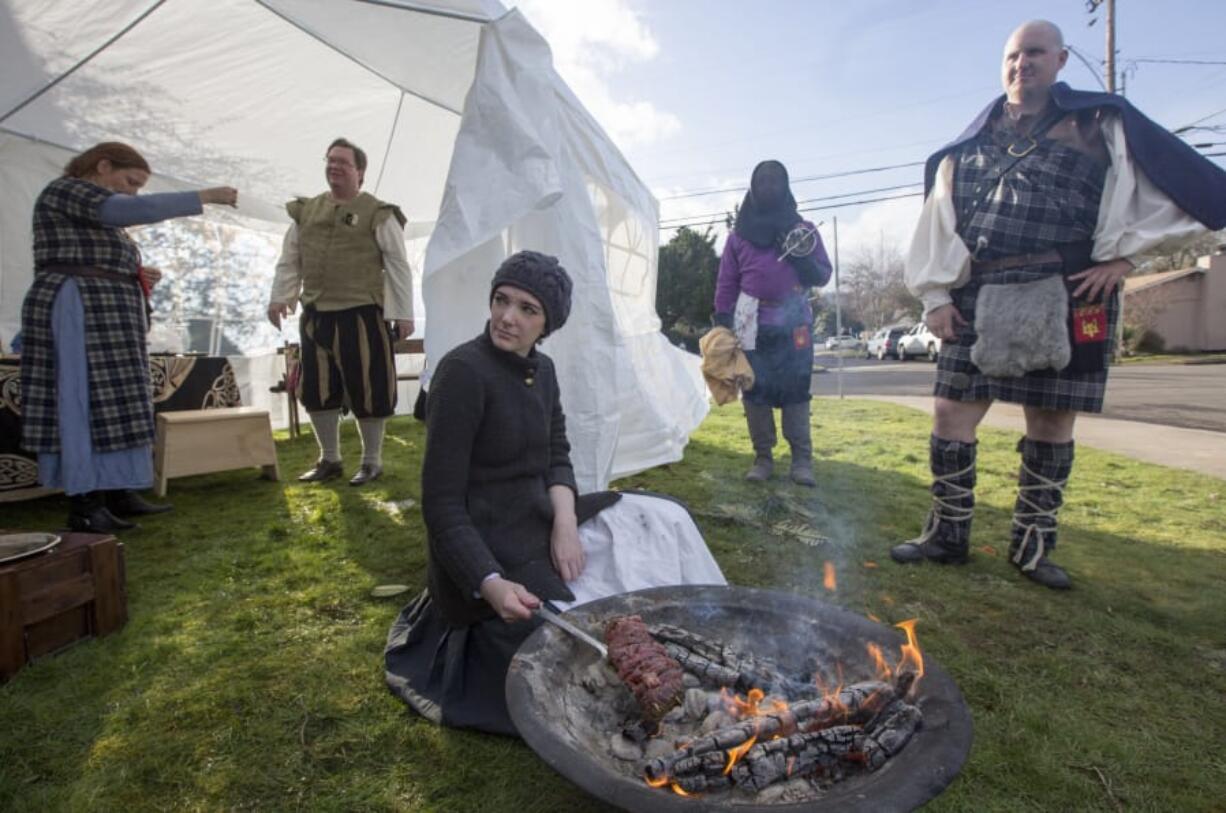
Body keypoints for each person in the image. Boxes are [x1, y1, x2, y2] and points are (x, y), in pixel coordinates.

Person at [890, 20, 1226, 589]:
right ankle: (947, 535)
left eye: (1035, 53)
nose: (1023, 64)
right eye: (1014, 55)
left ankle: (1032, 546)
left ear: (1062, 59)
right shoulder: (969, 143)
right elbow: (938, 222)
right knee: (951, 411)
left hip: (1070, 291)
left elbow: (1165, 193)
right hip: (977, 293)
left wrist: (1125, 261)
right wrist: (935, 297)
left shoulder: (1099, 124)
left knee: (1050, 420)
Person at [384, 250, 726, 736]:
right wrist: (490, 583)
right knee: (574, 648)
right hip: (490, 544)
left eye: (527, 309)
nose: (507, 317)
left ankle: (711, 629)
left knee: (663, 518)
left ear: (547, 324)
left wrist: (565, 524)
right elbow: (441, 505)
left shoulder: (541, 370)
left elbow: (557, 454)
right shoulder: (462, 373)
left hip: (541, 520)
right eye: (501, 300)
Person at [19, 141, 238, 531]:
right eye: (130, 181)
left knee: (117, 403)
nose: (132, 192)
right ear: (102, 165)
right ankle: (85, 504)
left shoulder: (97, 213)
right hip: (78, 312)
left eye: (138, 187)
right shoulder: (67, 190)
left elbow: (100, 246)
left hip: (107, 318)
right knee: (81, 399)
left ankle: (116, 490)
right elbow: (131, 210)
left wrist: (135, 273)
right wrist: (202, 197)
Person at [267, 138, 415, 486]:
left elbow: (397, 264)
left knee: (369, 386)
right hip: (316, 314)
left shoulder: (378, 212)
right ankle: (329, 460)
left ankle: (371, 461)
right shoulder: (306, 210)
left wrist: (402, 313)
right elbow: (291, 258)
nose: (334, 166)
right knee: (317, 388)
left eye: (343, 163)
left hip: (362, 314)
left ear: (359, 172)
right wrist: (280, 297)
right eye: (330, 160)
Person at [713, 160, 832, 486]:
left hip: (795, 326)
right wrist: (723, 320)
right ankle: (763, 459)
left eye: (775, 181)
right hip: (752, 328)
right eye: (761, 181)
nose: (768, 187)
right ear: (753, 188)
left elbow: (822, 274)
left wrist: (799, 256)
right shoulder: (738, 239)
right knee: (756, 392)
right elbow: (727, 283)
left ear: (785, 187)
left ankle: (801, 462)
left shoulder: (803, 230)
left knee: (796, 392)